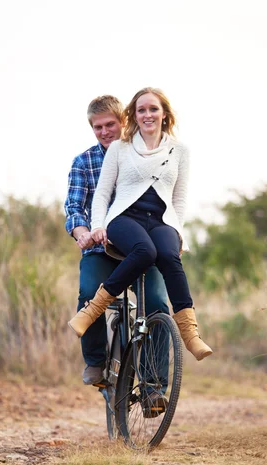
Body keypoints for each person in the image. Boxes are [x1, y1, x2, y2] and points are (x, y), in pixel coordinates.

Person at [68, 87, 213, 362]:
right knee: (140, 255)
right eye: (142, 110)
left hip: (159, 222)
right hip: (120, 225)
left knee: (167, 266)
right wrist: (92, 227)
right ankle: (94, 345)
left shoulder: (179, 150)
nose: (105, 131)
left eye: (110, 124)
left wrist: (177, 233)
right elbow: (93, 198)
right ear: (134, 115)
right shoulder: (114, 151)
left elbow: (179, 198)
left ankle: (184, 343)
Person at [64, 95, 169, 385]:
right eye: (97, 128)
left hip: (143, 248)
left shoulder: (147, 156)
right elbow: (74, 208)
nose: (104, 132)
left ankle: (154, 385)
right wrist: (83, 232)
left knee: (159, 303)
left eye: (110, 124)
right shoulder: (84, 162)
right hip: (100, 250)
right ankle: (96, 362)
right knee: (88, 292)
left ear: (124, 122)